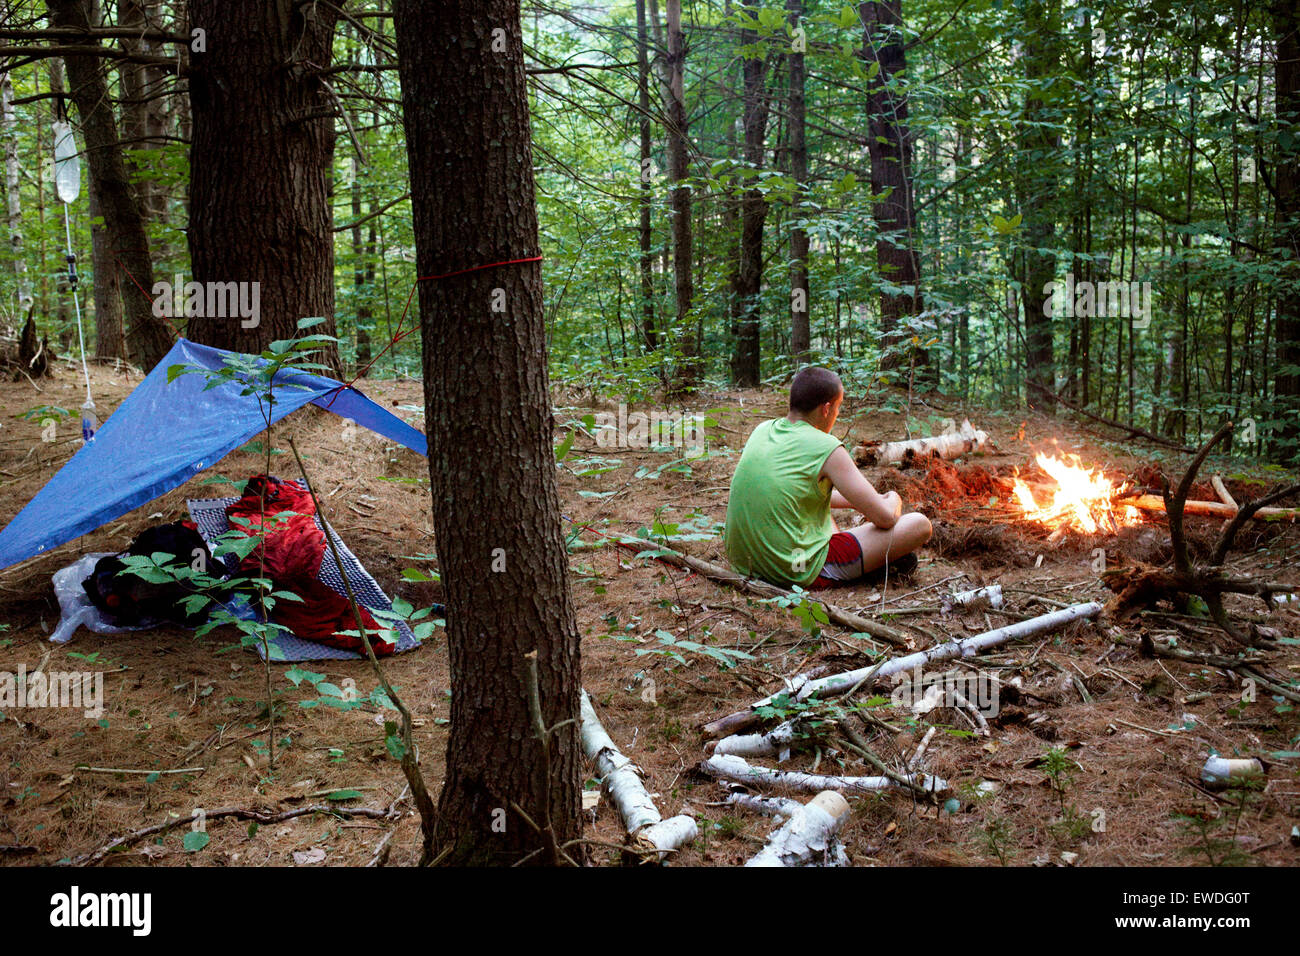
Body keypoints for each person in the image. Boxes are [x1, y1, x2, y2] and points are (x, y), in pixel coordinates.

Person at [724, 366, 932, 590]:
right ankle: (859, 569)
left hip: (744, 562)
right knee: (919, 524)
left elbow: (795, 493)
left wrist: (863, 501)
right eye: (838, 407)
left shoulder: (763, 429)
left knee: (820, 512)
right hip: (792, 568)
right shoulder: (827, 447)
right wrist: (893, 499)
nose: (837, 414)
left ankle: (864, 563)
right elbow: (886, 519)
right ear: (826, 409)